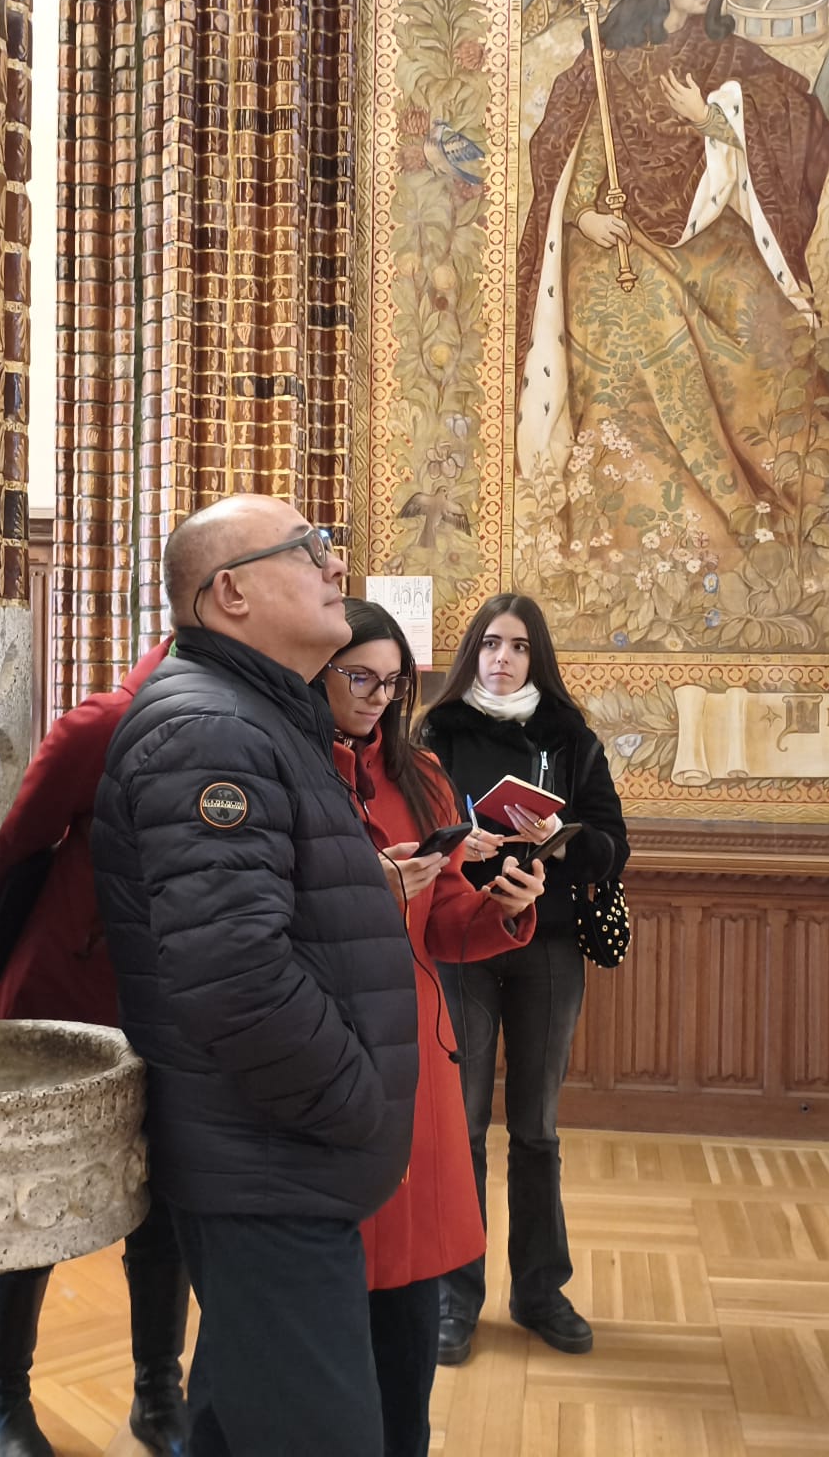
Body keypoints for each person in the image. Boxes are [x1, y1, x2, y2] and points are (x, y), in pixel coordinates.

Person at [92, 494, 419, 1456]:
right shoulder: (211, 730)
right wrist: (354, 1100)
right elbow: (234, 973)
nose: (333, 567)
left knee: (239, 1429)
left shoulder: (258, 715)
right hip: (272, 1159)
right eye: (309, 549)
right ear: (229, 593)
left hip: (274, 1152)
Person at [515, 0, 829, 580]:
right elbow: (559, 160)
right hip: (617, 245)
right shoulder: (604, 69)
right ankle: (709, 520)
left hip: (703, 231)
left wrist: (711, 120)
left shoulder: (725, 58)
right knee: (652, 325)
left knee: (759, 323)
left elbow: (793, 116)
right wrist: (582, 219)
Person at [324, 598, 547, 1456]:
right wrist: (368, 891)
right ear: (318, 670)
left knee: (410, 1314)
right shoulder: (288, 767)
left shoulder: (420, 774)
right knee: (325, 1321)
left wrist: (504, 908)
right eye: (359, 677)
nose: (378, 697)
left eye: (392, 681)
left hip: (417, 1058)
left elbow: (448, 923)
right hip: (327, 1057)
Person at [0, 639, 190, 1457]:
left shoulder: (252, 724)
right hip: (68, 994)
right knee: (30, 1202)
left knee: (163, 1205)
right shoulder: (100, 726)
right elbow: (19, 845)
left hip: (177, 1008)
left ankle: (157, 1395)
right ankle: (2, 1401)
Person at [418, 595, 629, 1366]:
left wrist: (562, 840)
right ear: (472, 653)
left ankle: (540, 1291)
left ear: (536, 656)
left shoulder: (570, 740)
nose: (500, 659)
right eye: (488, 645)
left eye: (516, 647)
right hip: (461, 942)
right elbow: (408, 839)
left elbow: (616, 846)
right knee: (463, 1125)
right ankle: (454, 1298)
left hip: (550, 944)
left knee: (536, 1127)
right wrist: (456, 843)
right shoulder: (434, 736)